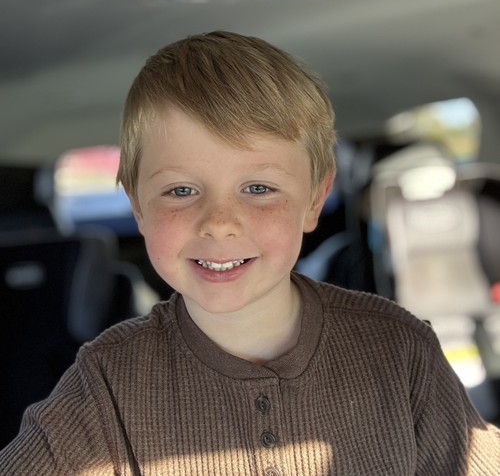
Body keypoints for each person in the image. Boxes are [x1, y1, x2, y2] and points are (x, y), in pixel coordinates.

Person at [1, 30, 499, 475]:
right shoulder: (106, 384)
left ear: (314, 199)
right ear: (137, 207)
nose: (219, 221)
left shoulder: (398, 348)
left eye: (258, 188)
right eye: (180, 191)